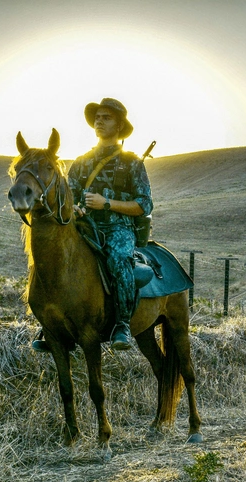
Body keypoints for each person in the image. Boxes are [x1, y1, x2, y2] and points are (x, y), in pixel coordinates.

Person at [32, 98, 153, 351]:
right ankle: (52, 325)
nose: (99, 121)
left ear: (119, 126)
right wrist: (74, 208)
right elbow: (69, 195)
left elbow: (144, 204)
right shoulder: (81, 162)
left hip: (118, 228)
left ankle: (122, 324)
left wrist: (106, 203)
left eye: (106, 117)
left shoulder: (132, 163)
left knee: (120, 260)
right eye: (97, 117)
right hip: (84, 226)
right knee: (57, 259)